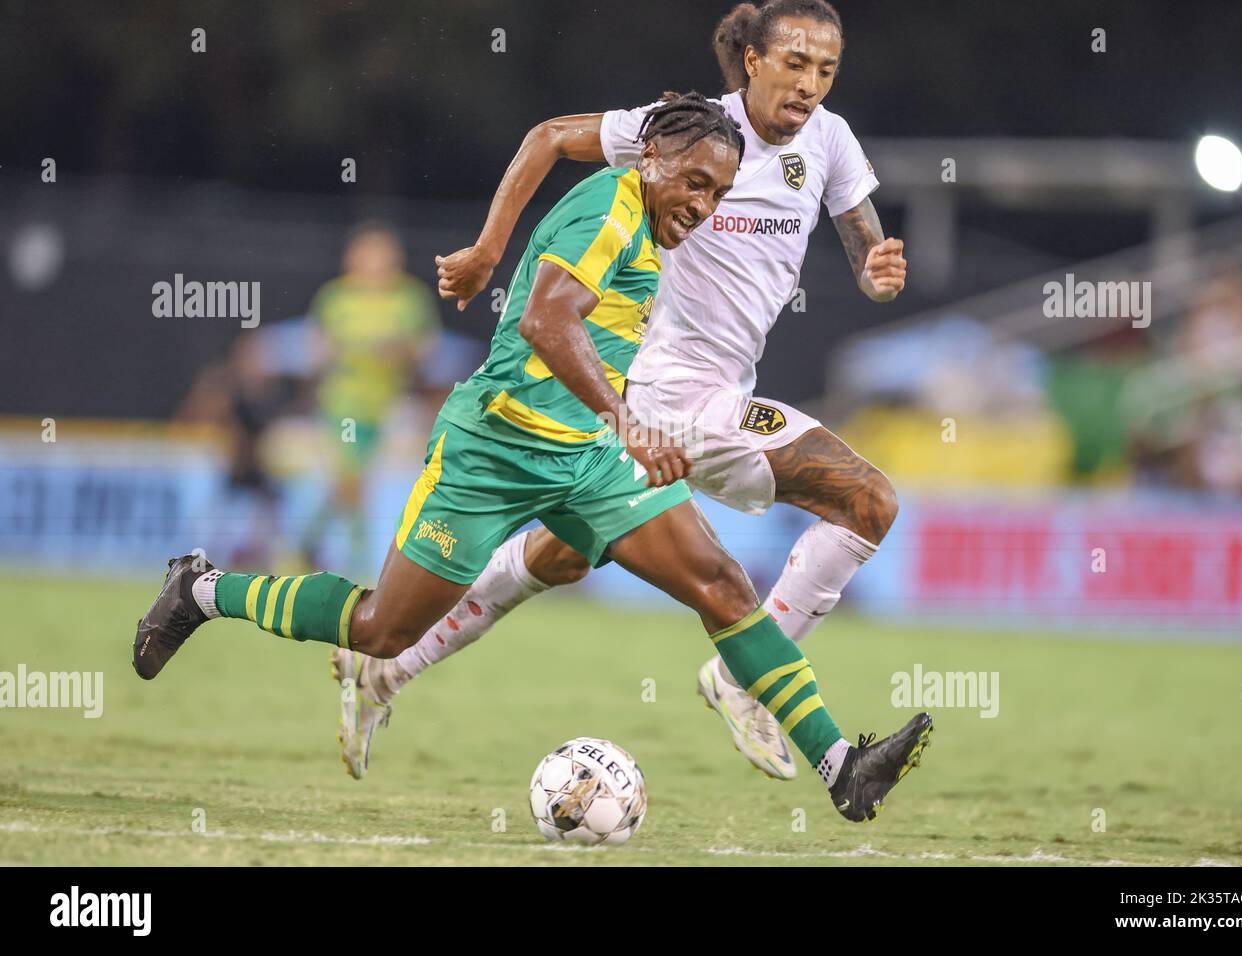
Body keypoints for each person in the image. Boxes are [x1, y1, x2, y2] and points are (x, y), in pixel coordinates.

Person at [132, 92, 931, 824]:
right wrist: (626, 419)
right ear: (649, 159)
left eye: (718, 193)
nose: (703, 204)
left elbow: (567, 242)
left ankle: (841, 766)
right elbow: (549, 320)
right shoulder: (611, 212)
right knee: (380, 626)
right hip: (495, 449)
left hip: (585, 460)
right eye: (693, 182)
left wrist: (609, 420)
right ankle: (201, 590)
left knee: (721, 585)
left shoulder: (652, 226)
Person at [337, 0, 911, 784]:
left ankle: (386, 670)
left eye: (826, 70)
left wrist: (878, 272)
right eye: (796, 64)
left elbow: (865, 244)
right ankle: (746, 681)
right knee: (867, 500)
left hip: (690, 395)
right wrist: (486, 250)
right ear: (753, 62)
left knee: (559, 557)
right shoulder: (689, 134)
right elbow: (547, 137)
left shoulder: (832, 141)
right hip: (659, 390)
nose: (811, 84)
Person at [301, 222, 438, 576]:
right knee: (353, 481)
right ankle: (357, 564)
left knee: (350, 484)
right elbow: (316, 350)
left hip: (382, 408)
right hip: (341, 407)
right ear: (353, 258)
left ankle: (307, 544)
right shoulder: (336, 297)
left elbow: (424, 350)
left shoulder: (409, 297)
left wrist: (396, 352)